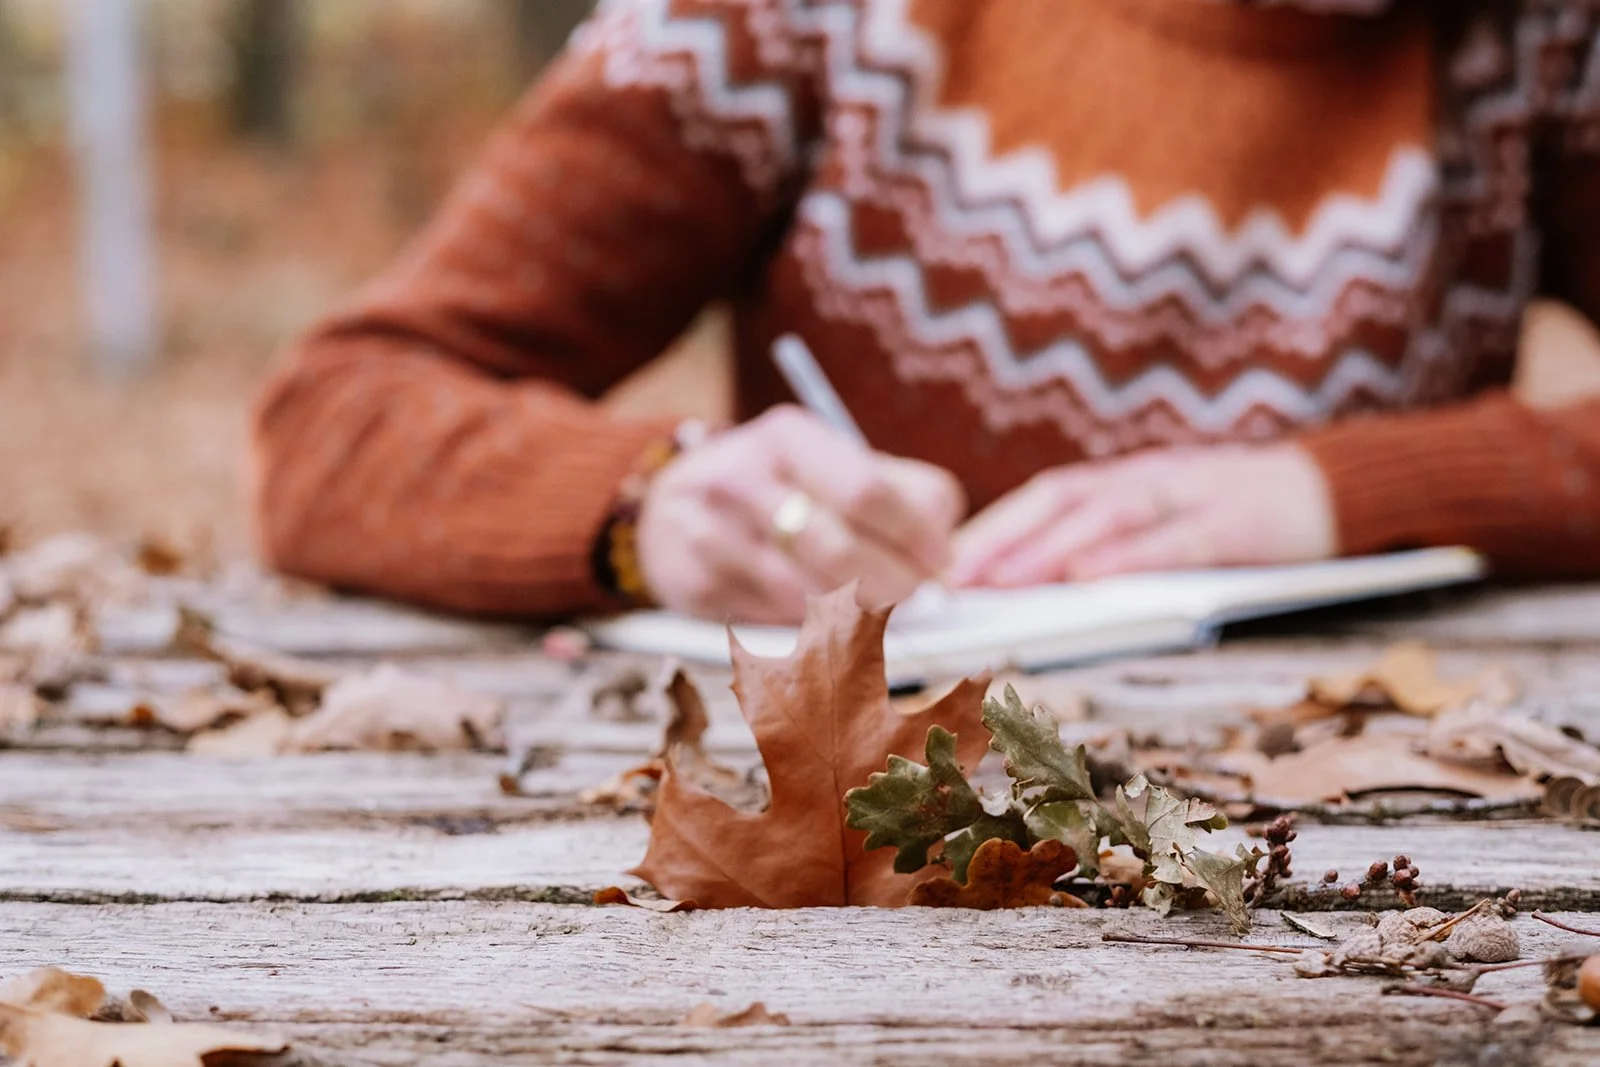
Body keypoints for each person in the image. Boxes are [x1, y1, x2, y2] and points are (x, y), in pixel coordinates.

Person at [252, 0, 1600, 626]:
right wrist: (646, 504)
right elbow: (335, 415)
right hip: (855, 871)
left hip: (1371, 866)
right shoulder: (788, 20)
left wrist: (1347, 492)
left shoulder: (1540, 41)